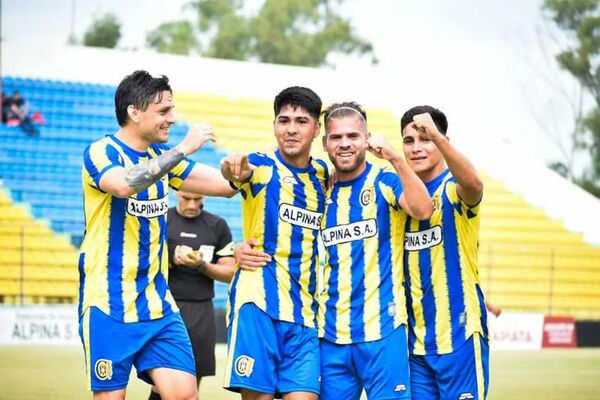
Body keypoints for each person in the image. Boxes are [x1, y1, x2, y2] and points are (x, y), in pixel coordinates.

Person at [79, 70, 237, 400]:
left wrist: (244, 171)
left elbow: (225, 187)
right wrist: (183, 149)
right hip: (109, 305)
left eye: (172, 110)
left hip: (157, 306)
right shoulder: (100, 152)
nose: (172, 118)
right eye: (163, 111)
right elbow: (123, 184)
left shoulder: (163, 161)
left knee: (185, 395)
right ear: (134, 113)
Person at [317, 102, 432, 400]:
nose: (344, 144)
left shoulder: (384, 181)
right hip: (330, 335)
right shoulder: (318, 191)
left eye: (353, 136)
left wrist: (395, 158)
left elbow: (423, 209)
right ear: (325, 143)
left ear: (366, 139)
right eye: (336, 137)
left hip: (383, 330)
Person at [219, 86, 327, 400]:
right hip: (258, 304)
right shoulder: (261, 166)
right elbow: (234, 172)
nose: (291, 128)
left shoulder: (322, 175)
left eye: (301, 121)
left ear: (317, 128)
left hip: (305, 312)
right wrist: (230, 168)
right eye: (283, 120)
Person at [400, 105, 489, 400]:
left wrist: (437, 136)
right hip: (416, 344)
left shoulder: (454, 190)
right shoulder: (402, 200)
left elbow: (474, 184)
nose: (416, 148)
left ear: (441, 141)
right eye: (408, 141)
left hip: (460, 335)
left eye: (424, 139)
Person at [148, 190, 236, 400]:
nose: (192, 204)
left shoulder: (217, 225)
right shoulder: (162, 220)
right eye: (187, 198)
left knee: (192, 381)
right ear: (177, 193)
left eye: (198, 199)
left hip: (201, 308)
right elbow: (143, 260)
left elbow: (230, 272)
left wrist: (202, 265)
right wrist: (171, 257)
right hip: (165, 307)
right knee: (162, 382)